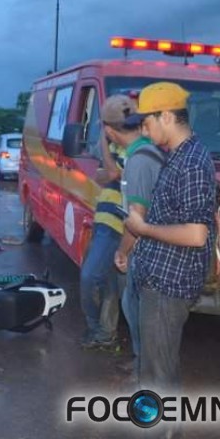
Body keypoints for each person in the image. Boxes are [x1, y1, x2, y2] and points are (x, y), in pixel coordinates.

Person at [123, 82, 216, 439]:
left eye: (147, 122)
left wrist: (142, 229)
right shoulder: (178, 157)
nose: (144, 131)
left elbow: (197, 235)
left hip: (168, 284)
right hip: (157, 277)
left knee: (158, 377)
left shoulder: (192, 162)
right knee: (158, 371)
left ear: (166, 117)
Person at [112, 112, 165, 371]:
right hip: (156, 243)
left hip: (147, 247)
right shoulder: (150, 153)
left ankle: (144, 368)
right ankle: (145, 366)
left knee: (134, 306)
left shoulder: (139, 161)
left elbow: (136, 217)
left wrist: (122, 251)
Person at [78, 95, 130, 350]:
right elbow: (102, 176)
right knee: (109, 282)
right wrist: (109, 169)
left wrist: (101, 140)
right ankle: (105, 334)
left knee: (89, 277)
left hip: (117, 225)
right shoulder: (118, 150)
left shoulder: (134, 150)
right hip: (104, 219)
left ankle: (95, 327)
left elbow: (109, 173)